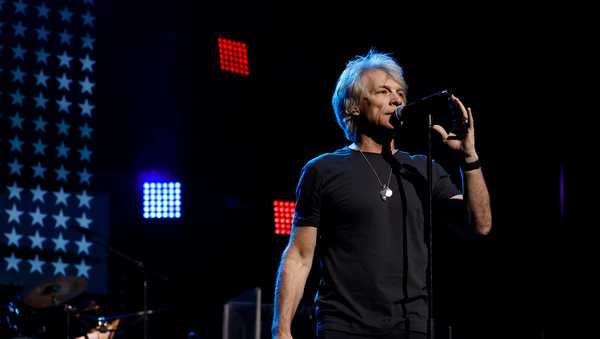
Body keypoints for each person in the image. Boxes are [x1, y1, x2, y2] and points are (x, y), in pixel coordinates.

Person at [272, 50, 492, 339]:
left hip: (412, 327)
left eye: (400, 93)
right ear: (353, 106)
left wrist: (469, 159)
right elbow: (299, 255)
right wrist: (282, 329)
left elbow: (481, 224)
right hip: (344, 326)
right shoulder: (323, 170)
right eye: (383, 91)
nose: (397, 100)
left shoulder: (422, 168)